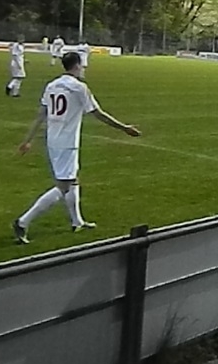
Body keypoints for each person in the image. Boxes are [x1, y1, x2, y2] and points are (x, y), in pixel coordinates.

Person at [12, 51, 140, 244]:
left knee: (73, 180)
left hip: (53, 140)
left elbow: (41, 114)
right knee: (63, 187)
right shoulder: (79, 88)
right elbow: (98, 113)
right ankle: (23, 222)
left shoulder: (52, 85)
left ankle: (77, 221)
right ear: (77, 65)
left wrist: (28, 140)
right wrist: (124, 128)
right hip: (67, 143)